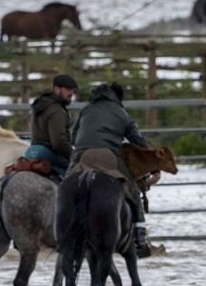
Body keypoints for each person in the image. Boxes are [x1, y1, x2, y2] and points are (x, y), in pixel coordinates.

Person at [68, 82, 156, 256]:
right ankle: (140, 239)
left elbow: (73, 137)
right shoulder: (121, 112)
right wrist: (152, 162)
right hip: (109, 156)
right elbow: (138, 140)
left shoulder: (86, 110)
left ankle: (60, 233)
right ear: (118, 97)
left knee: (64, 188)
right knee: (133, 191)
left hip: (81, 156)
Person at [23, 74, 77, 178]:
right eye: (68, 89)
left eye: (73, 90)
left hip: (32, 151)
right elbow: (58, 142)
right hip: (48, 152)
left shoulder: (41, 105)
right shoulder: (57, 110)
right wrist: (75, 155)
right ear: (57, 89)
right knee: (78, 175)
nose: (71, 93)